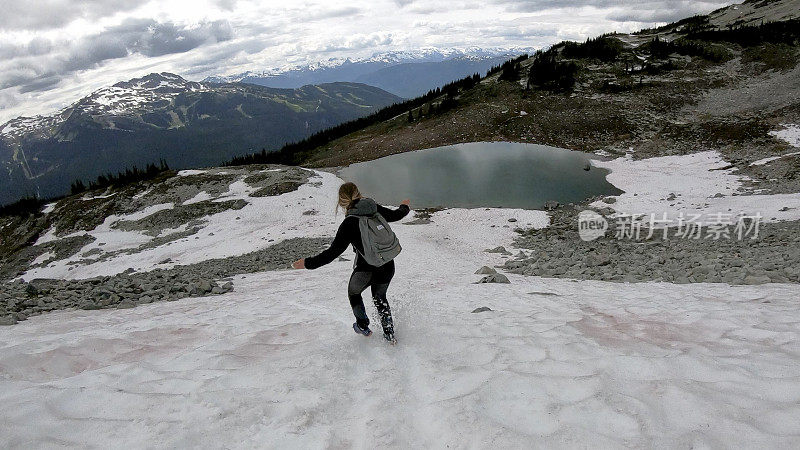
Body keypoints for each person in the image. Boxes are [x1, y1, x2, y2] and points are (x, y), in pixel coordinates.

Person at [292, 182, 410, 344]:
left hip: (366, 267)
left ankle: (363, 326)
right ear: (358, 193)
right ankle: (390, 336)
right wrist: (404, 206)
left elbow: (332, 253)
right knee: (380, 297)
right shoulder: (373, 207)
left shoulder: (349, 223)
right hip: (387, 264)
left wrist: (307, 263)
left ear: (342, 202)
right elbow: (396, 215)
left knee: (354, 292)